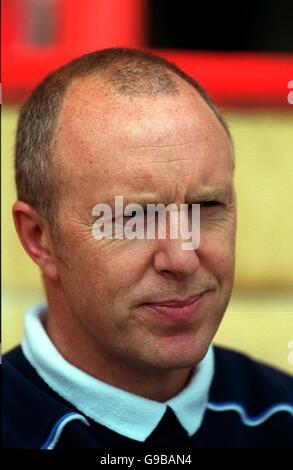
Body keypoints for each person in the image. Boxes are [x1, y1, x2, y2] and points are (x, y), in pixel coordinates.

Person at [3, 48, 292, 449]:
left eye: (207, 206)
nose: (183, 257)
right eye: (132, 217)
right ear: (40, 239)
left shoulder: (281, 415)